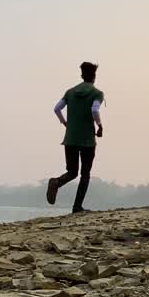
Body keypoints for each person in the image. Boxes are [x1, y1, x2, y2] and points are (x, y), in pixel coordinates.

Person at [47, 62, 104, 213]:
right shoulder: (97, 93)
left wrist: (65, 123)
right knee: (85, 174)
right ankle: (77, 207)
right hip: (87, 140)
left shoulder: (70, 92)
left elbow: (56, 108)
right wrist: (99, 125)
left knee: (72, 171)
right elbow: (94, 110)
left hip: (70, 138)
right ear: (94, 76)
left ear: (81, 75)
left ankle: (57, 182)